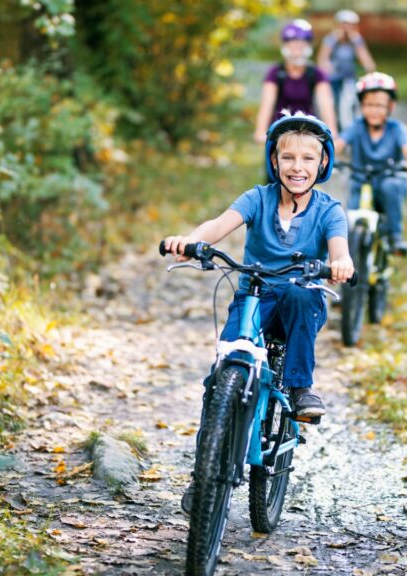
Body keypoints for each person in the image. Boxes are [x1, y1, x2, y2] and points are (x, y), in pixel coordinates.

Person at [165, 113, 354, 516]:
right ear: (274, 160)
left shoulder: (328, 210)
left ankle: (300, 386)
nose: (297, 167)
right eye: (288, 157)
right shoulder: (258, 198)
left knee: (303, 297)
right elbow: (218, 225)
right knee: (221, 374)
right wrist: (190, 241)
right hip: (255, 295)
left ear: (323, 163)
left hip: (298, 299)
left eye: (308, 158)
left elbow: (339, 248)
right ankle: (204, 476)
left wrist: (340, 263)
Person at [335, 72, 407, 256]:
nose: (374, 110)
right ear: (361, 106)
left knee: (391, 188)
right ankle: (345, 255)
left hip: (388, 179)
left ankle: (395, 236)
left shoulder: (396, 129)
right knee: (348, 220)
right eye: (369, 105)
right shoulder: (357, 126)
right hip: (360, 180)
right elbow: (338, 144)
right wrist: (323, 157)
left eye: (379, 105)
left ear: (390, 107)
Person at [253, 20, 338, 143]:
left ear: (308, 47)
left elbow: (326, 104)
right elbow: (267, 104)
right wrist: (260, 130)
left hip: (307, 132)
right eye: (293, 45)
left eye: (301, 45)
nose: (297, 50)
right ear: (285, 47)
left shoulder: (316, 74)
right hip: (279, 133)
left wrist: (332, 131)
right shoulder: (276, 73)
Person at [317, 9, 376, 125]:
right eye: (344, 24)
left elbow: (367, 61)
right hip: (333, 78)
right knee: (334, 103)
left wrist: (369, 70)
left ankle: (351, 128)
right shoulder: (331, 39)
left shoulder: (356, 40)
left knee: (352, 102)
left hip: (349, 77)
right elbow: (322, 59)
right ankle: (334, 127)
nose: (346, 28)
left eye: (350, 25)